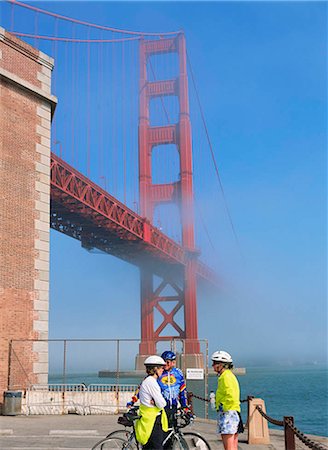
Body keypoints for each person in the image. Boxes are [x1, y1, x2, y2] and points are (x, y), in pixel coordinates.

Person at [134, 355, 168, 450]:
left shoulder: (148, 381)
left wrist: (156, 401)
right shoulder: (151, 383)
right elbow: (162, 403)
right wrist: (158, 402)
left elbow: (158, 401)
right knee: (156, 447)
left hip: (150, 419)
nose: (163, 370)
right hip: (152, 421)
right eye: (161, 368)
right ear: (155, 369)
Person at [211, 350, 243, 450]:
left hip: (228, 413)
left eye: (215, 363)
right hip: (233, 411)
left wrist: (222, 407)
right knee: (233, 445)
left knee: (228, 446)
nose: (213, 365)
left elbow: (230, 395)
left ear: (222, 365)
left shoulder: (225, 377)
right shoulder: (228, 375)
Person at [158, 350, 188, 429]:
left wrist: (184, 406)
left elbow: (183, 391)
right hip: (161, 408)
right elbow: (144, 385)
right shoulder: (159, 373)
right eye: (163, 362)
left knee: (172, 430)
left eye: (167, 362)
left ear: (173, 362)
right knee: (162, 431)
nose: (165, 364)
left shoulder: (178, 373)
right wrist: (133, 400)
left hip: (173, 407)